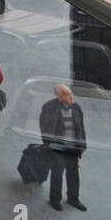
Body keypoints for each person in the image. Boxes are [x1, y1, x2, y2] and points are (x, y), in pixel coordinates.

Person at [39, 84, 87, 212]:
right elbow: (44, 128)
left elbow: (81, 128)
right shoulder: (49, 107)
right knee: (57, 174)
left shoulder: (76, 108)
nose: (71, 96)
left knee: (73, 174)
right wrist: (50, 145)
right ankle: (55, 200)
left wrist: (82, 145)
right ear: (59, 97)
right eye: (67, 94)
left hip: (72, 148)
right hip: (57, 148)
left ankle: (73, 199)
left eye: (71, 93)